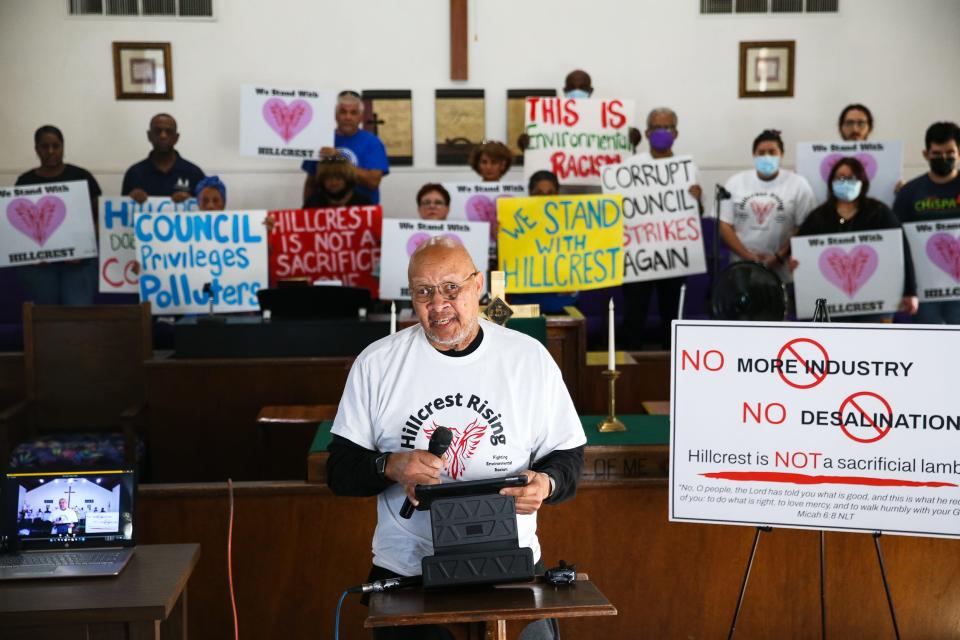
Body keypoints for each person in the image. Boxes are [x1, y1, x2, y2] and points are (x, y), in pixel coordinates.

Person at [326, 237, 585, 640]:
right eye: (424, 292)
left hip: (513, 569)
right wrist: (389, 466)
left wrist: (547, 484)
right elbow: (339, 471)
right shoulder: (377, 364)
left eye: (452, 288)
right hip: (409, 573)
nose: (438, 303)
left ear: (477, 285)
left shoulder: (528, 358)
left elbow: (568, 454)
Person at [792, 157, 918, 321]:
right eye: (840, 177)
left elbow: (902, 252)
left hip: (875, 304)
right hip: (830, 306)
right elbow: (801, 253)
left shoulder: (879, 212)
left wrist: (910, 291)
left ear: (862, 181)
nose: (845, 182)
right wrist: (795, 263)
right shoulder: (818, 216)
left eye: (851, 178)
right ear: (831, 181)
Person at [620, 108, 703, 349]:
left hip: (673, 255)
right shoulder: (631, 167)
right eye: (657, 127)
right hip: (638, 254)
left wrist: (696, 199)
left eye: (667, 127)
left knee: (673, 314)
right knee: (634, 314)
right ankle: (629, 366)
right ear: (647, 132)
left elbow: (695, 215)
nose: (662, 132)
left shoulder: (687, 168)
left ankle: (673, 365)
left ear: (675, 133)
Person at [15, 125, 101, 305]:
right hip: (39, 265)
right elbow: (20, 225)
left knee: (78, 313)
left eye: (56, 146)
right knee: (45, 317)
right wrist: (33, 253)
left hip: (80, 262)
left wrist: (84, 247)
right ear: (36, 149)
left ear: (63, 147)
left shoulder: (81, 176)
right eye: (44, 146)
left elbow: (99, 216)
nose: (51, 151)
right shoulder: (25, 181)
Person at [719, 129, 817, 284]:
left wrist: (779, 256)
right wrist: (747, 255)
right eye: (761, 152)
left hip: (783, 269)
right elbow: (724, 224)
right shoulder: (735, 182)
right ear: (754, 155)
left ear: (781, 155)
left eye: (772, 152)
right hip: (742, 267)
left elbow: (804, 226)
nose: (766, 157)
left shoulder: (798, 184)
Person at [893, 121, 960, 324]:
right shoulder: (909, 192)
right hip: (924, 291)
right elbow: (898, 241)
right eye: (937, 153)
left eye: (950, 152)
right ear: (926, 154)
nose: (943, 158)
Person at [517, 70, 642, 152]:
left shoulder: (610, 121)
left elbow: (621, 155)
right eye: (572, 88)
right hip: (560, 188)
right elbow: (539, 153)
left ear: (590, 90)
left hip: (596, 187)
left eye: (582, 88)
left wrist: (630, 141)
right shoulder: (546, 120)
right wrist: (526, 144)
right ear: (565, 90)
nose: (576, 91)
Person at [301, 90, 389, 205]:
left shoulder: (373, 142)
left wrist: (339, 157)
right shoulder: (322, 141)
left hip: (363, 211)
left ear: (360, 117)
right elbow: (311, 184)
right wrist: (306, 213)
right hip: (325, 212)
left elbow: (373, 182)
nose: (348, 117)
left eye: (353, 113)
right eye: (343, 112)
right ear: (336, 115)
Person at [122, 114, 206, 204]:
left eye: (169, 131)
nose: (163, 136)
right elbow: (122, 212)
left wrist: (191, 201)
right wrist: (130, 199)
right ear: (149, 136)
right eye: (157, 131)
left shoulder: (194, 173)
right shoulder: (134, 173)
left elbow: (207, 210)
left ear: (176, 138)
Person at [303, 155, 373, 208]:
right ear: (322, 180)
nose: (333, 183)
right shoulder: (313, 204)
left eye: (338, 178)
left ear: (347, 178)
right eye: (328, 178)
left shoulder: (364, 204)